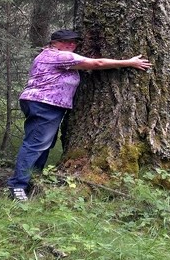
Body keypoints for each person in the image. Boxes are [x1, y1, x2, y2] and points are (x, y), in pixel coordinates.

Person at [8, 29, 152, 201]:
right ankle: (18, 186)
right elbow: (97, 64)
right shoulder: (59, 57)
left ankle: (31, 181)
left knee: (42, 144)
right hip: (45, 104)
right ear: (55, 43)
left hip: (42, 103)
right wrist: (129, 62)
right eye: (66, 41)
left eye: (74, 42)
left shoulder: (47, 55)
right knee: (36, 145)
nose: (71, 45)